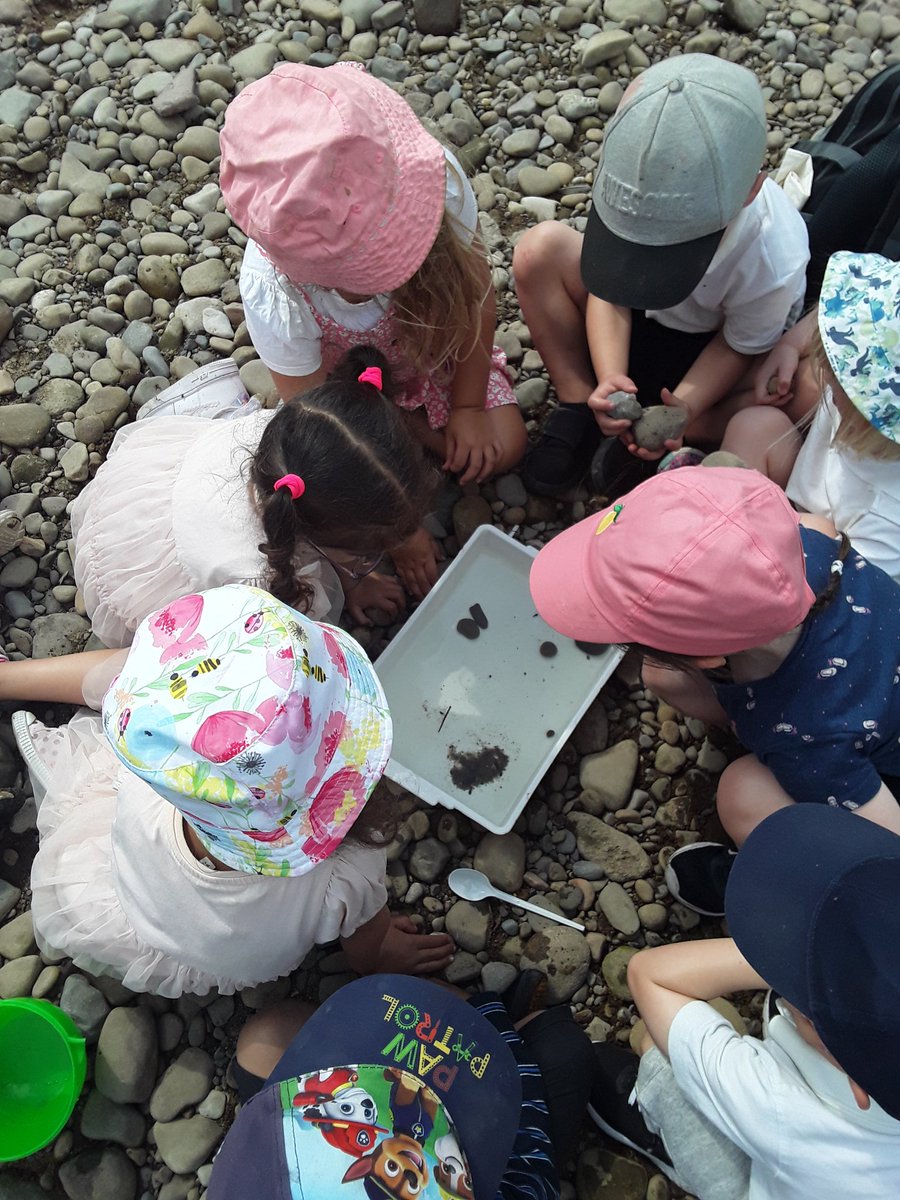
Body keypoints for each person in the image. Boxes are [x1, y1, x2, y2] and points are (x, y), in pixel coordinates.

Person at [15, 584, 453, 997]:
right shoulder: (347, 872)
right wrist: (382, 954)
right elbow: (368, 952)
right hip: (216, 962)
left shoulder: (151, 787)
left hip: (126, 899)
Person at [529, 466, 900, 915]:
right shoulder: (809, 542)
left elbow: (886, 843)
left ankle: (798, 895)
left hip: (871, 769)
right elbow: (815, 523)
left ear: (707, 660)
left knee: (741, 792)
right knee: (661, 676)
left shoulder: (812, 740)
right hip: (865, 673)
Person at [218, 62, 527, 593]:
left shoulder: (433, 181)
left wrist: (469, 407)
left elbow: (477, 299)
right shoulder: (278, 295)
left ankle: (418, 445)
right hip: (352, 405)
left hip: (431, 360)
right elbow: (321, 421)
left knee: (506, 445)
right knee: (348, 508)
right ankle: (408, 454)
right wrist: (401, 533)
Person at [514, 55, 810, 500]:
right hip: (631, 316)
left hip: (710, 348)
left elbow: (735, 346)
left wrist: (683, 408)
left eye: (673, 247)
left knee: (794, 392)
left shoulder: (773, 258)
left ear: (752, 189)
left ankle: (670, 429)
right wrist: (610, 375)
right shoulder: (632, 176)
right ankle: (580, 399)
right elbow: (609, 287)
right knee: (539, 252)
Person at [587, 804, 900, 1200]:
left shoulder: (785, 1114)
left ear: (859, 1086)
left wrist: (787, 958)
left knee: (653, 1045)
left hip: (771, 1176)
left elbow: (650, 975)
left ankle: (661, 1133)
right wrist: (822, 985)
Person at [70, 347, 436, 647]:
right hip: (137, 567)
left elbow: (332, 516)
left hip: (149, 479)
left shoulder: (297, 439)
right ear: (310, 533)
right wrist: (352, 580)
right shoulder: (256, 580)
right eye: (363, 557)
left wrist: (355, 575)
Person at [208, 972, 594, 1199]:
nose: (406, 1166)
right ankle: (497, 1016)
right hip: (487, 1143)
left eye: (390, 1167)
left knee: (264, 1038)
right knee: (561, 1048)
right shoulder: (460, 1174)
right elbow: (527, 1153)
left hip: (336, 1112)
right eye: (410, 1177)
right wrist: (498, 1033)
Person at [717, 251, 900, 580]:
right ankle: (717, 530)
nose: (827, 374)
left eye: (842, 371)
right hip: (807, 497)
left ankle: (722, 561)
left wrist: (787, 533)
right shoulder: (868, 418)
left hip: (825, 572)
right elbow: (831, 312)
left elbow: (848, 596)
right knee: (755, 427)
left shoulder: (889, 520)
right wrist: (790, 344)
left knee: (818, 530)